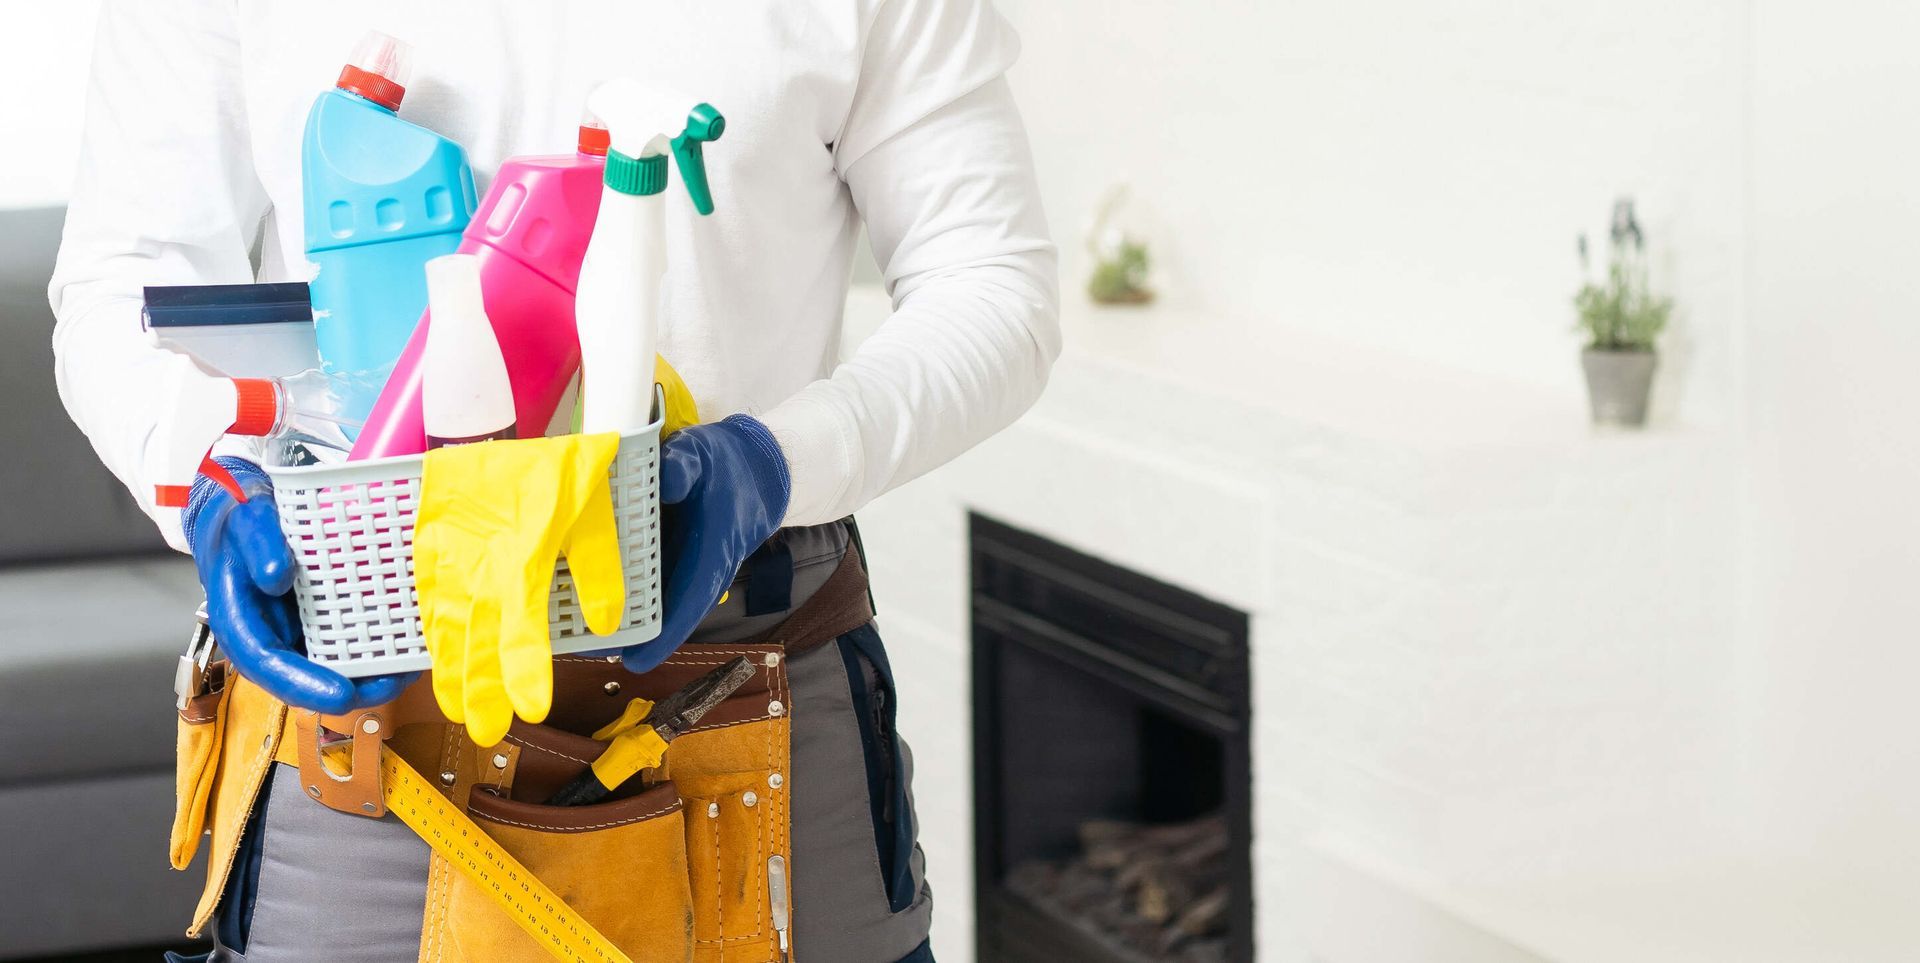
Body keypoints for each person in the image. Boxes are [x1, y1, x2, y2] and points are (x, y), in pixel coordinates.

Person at [49, 3, 1057, 961]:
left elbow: (992, 283)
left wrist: (772, 461)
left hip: (752, 675)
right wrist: (197, 471)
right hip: (359, 688)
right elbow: (120, 286)